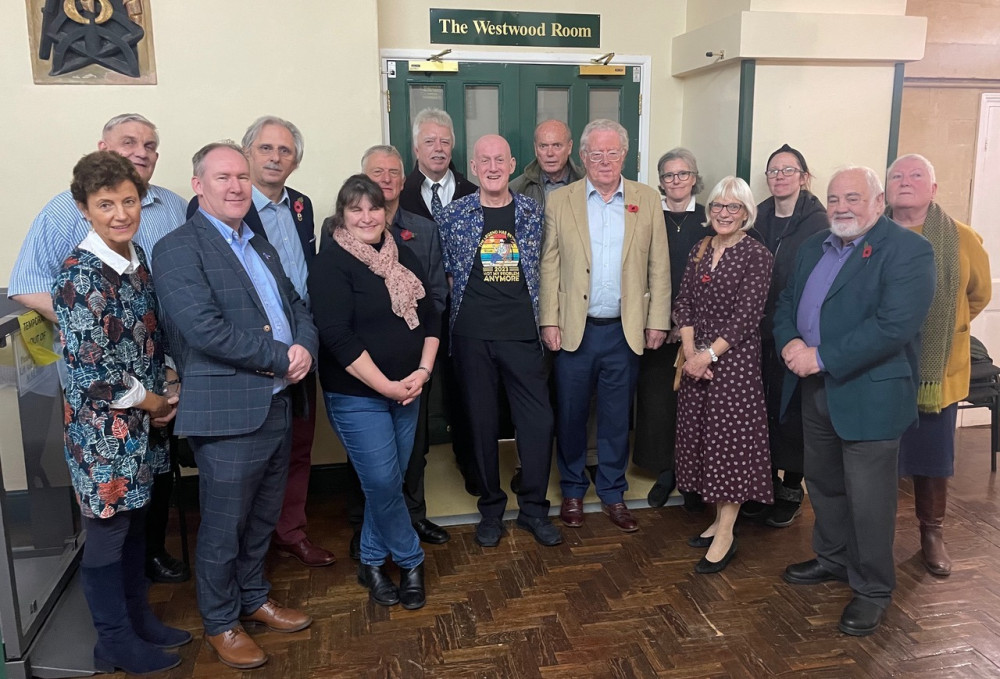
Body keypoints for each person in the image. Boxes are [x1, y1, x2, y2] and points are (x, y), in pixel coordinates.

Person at [153, 142, 317, 669]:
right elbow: (202, 330)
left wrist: (306, 350)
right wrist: (280, 357)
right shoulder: (179, 247)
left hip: (274, 403)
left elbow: (296, 304)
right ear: (198, 185)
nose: (236, 186)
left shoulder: (261, 244)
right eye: (223, 177)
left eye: (242, 177)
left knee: (263, 516)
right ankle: (221, 622)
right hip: (226, 412)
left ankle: (253, 597)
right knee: (224, 526)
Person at [9, 113, 189, 584]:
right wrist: (91, 321)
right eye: (129, 141)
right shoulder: (71, 240)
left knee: (144, 504)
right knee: (110, 524)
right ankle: (115, 630)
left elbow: (155, 308)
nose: (140, 151)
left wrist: (165, 377)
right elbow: (28, 288)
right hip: (105, 403)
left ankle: (145, 588)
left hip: (153, 386)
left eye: (150, 144)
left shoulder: (164, 217)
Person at [775, 166, 935, 636]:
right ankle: (832, 559)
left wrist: (820, 356)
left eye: (852, 198)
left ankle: (872, 590)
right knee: (824, 484)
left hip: (870, 393)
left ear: (877, 202)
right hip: (814, 388)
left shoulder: (909, 251)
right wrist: (789, 344)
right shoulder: (813, 246)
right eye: (833, 198)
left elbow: (893, 326)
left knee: (869, 500)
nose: (841, 207)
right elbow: (787, 302)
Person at [52, 151, 189, 675]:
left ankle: (138, 620)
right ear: (84, 209)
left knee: (134, 528)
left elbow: (148, 341)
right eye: (105, 204)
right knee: (109, 533)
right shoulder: (79, 276)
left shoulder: (135, 262)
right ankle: (112, 642)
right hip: (102, 437)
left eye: (128, 201)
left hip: (142, 430)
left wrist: (165, 388)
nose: (120, 213)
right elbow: (94, 374)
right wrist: (155, 402)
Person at [309, 174, 440, 611]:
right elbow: (336, 336)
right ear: (342, 215)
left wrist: (422, 372)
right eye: (356, 209)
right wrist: (387, 386)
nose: (367, 217)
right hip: (358, 395)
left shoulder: (403, 258)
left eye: (374, 208)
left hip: (409, 390)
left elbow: (432, 319)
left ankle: (370, 561)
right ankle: (411, 559)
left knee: (386, 484)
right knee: (383, 480)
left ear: (387, 212)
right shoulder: (331, 263)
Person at [540, 119, 671, 533]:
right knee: (572, 414)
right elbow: (550, 264)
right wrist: (549, 319)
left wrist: (657, 321)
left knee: (617, 417)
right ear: (582, 157)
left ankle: (614, 492)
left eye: (612, 152)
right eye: (595, 153)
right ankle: (574, 490)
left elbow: (659, 265)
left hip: (624, 330)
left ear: (624, 155)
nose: (604, 160)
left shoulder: (647, 200)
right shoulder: (561, 201)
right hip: (575, 328)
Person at [437, 134, 562, 548]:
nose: (492, 167)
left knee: (537, 422)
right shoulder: (453, 215)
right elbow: (446, 274)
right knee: (480, 423)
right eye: (484, 160)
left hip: (523, 334)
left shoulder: (534, 213)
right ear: (473, 167)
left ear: (512, 165)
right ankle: (490, 508)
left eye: (500, 160)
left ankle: (533, 509)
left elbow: (549, 269)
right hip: (472, 335)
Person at [334, 145, 450, 560]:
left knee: (408, 456)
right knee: (375, 467)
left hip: (414, 372)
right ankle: (381, 538)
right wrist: (385, 384)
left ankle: (407, 519)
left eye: (392, 173)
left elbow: (435, 295)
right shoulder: (337, 251)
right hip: (363, 384)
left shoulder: (420, 232)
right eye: (376, 172)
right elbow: (337, 327)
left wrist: (422, 367)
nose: (385, 179)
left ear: (402, 182)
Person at [886, 153, 991, 576]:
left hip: (935, 371)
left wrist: (944, 325)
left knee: (931, 456)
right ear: (887, 188)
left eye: (916, 176)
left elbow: (978, 294)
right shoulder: (870, 233)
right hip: (882, 367)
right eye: (897, 175)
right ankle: (873, 537)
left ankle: (932, 533)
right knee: (878, 456)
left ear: (933, 188)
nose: (905, 182)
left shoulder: (962, 239)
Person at [241, 116, 333, 568]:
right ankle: (251, 547)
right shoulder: (229, 204)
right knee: (258, 452)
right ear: (248, 154)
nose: (276, 157)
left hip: (304, 342)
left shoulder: (302, 205)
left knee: (299, 443)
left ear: (295, 161)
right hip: (255, 352)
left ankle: (290, 530)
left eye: (285, 151)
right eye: (266, 149)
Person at [672, 176, 773, 574]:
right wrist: (689, 350)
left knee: (729, 446)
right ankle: (716, 519)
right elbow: (684, 301)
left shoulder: (757, 256)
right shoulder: (700, 248)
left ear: (747, 213)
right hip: (697, 360)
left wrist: (708, 355)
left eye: (733, 207)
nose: (724, 214)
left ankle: (727, 533)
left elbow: (747, 317)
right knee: (702, 440)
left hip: (734, 366)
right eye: (717, 206)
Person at [743, 144, 829, 527]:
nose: (779, 176)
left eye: (787, 170)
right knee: (761, 410)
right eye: (773, 170)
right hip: (756, 331)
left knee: (791, 412)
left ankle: (792, 487)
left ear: (804, 177)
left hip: (797, 333)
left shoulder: (820, 223)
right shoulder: (755, 216)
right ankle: (764, 485)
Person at [399, 108, 479, 492]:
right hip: (418, 319)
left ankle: (471, 464)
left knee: (467, 393)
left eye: (445, 141)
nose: (438, 148)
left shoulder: (473, 191)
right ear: (416, 147)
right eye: (430, 141)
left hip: (467, 316)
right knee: (418, 399)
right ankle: (415, 482)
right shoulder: (396, 195)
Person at [635, 147, 712, 508]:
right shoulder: (649, 215)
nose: (675, 181)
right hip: (657, 326)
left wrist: (690, 326)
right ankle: (665, 471)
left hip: (701, 329)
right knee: (658, 401)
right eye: (668, 175)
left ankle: (692, 476)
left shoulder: (710, 218)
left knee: (695, 404)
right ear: (660, 181)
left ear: (694, 177)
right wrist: (659, 319)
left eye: (682, 174)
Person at [509, 119, 584, 209]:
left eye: (557, 146)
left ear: (569, 147)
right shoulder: (516, 189)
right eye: (543, 146)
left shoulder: (586, 183)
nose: (550, 153)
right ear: (535, 149)